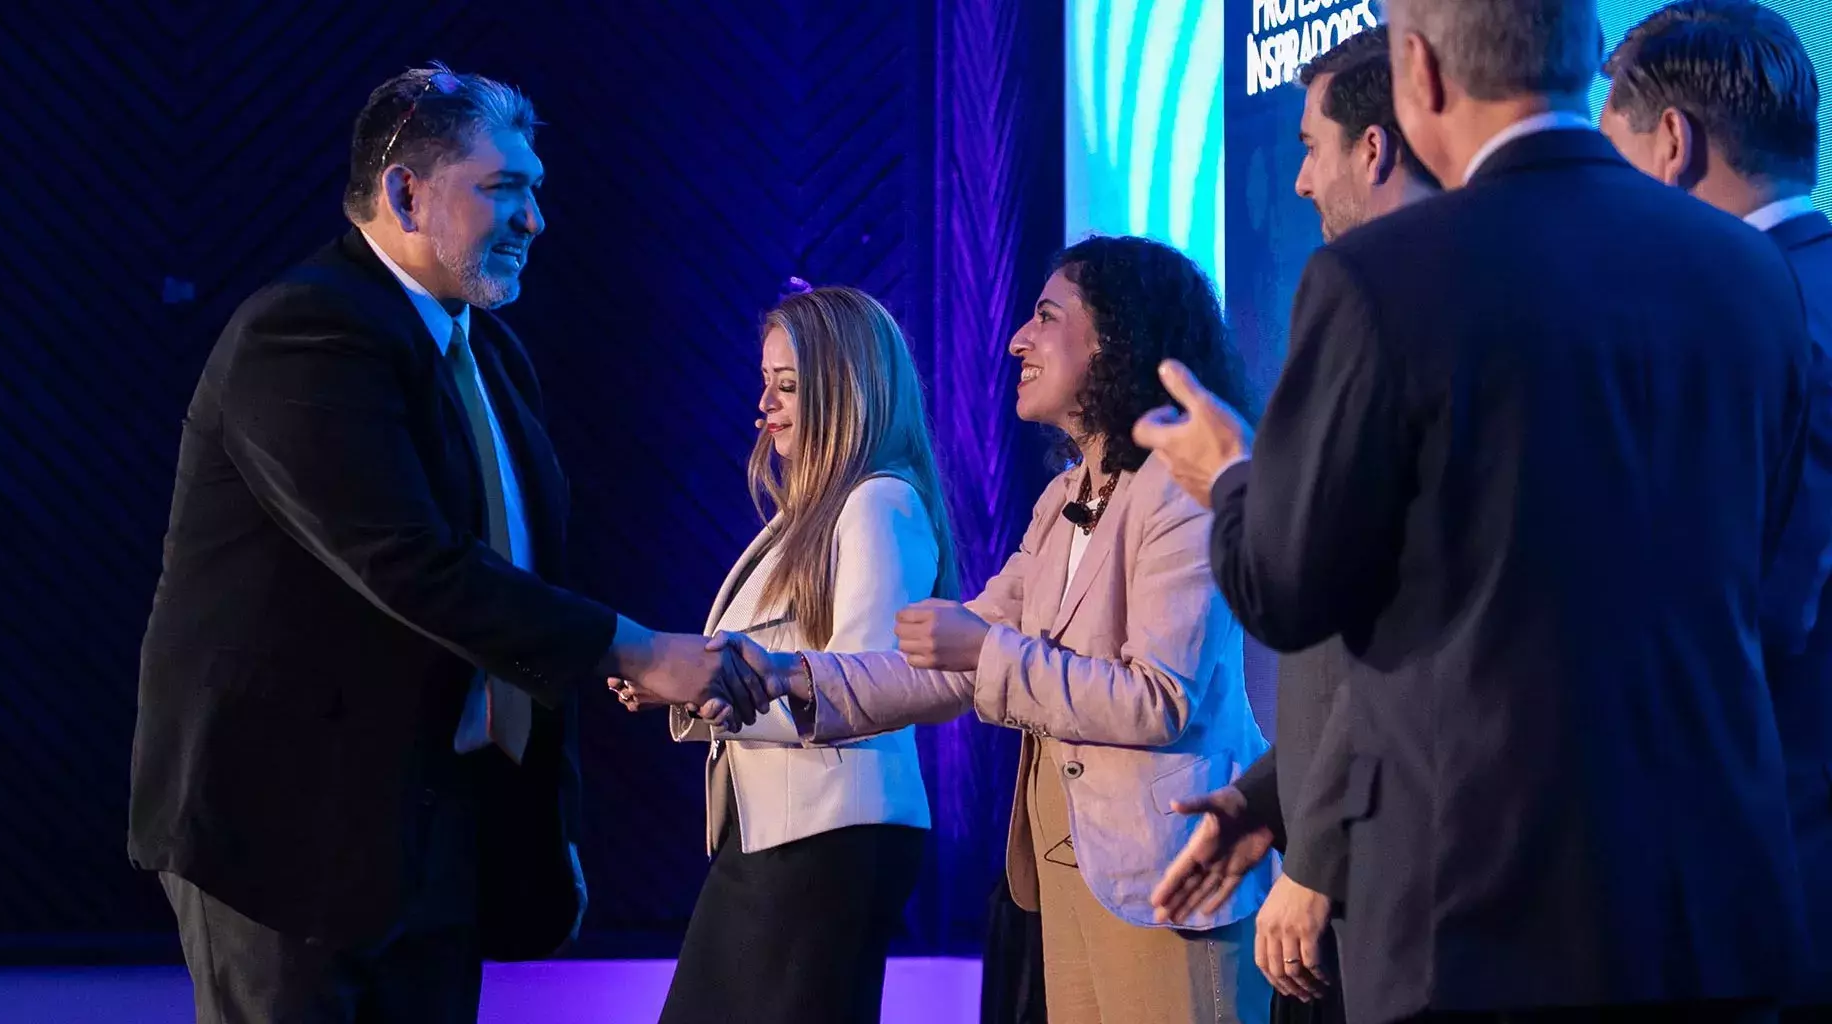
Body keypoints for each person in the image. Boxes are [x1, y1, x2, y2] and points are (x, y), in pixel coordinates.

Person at [1131, 0, 1816, 1018]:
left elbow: (1284, 588)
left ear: (1422, 74)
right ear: (1583, 59)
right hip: (1710, 917)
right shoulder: (1750, 274)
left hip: (1483, 925)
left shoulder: (1379, 279)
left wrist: (1231, 475)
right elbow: (1765, 595)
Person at [128, 65, 753, 1024]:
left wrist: (547, 819)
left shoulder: (489, 351)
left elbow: (519, 576)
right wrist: (639, 650)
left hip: (437, 826)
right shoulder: (303, 332)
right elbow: (410, 564)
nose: (536, 219)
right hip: (287, 832)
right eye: (505, 189)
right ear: (404, 193)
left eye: (536, 190)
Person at [692, 236, 1276, 1024]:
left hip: (1167, 875)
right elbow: (941, 665)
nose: (1016, 340)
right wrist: (791, 676)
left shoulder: (1180, 490)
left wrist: (988, 651)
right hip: (1069, 867)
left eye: (1045, 316)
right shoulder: (1061, 498)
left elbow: (1157, 699)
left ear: (1115, 337)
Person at [1151, 26, 1440, 1024]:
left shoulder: (1382, 303)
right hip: (1337, 852)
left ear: (1374, 148)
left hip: (1396, 883)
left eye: (1310, 147)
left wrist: (1233, 480)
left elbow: (1393, 633)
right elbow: (1349, 645)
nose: (1300, 182)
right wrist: (1267, 800)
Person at [610, 285, 956, 1024]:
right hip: (789, 837)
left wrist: (704, 687)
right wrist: (688, 687)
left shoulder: (878, 504)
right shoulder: (814, 511)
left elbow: (864, 694)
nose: (764, 408)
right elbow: (780, 675)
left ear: (846, 388)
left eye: (789, 386)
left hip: (827, 840)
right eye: (765, 383)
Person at [1600, 4, 1831, 1017]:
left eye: (1607, 160)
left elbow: (1765, 608)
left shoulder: (1746, 317)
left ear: (1672, 146)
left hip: (1769, 855)